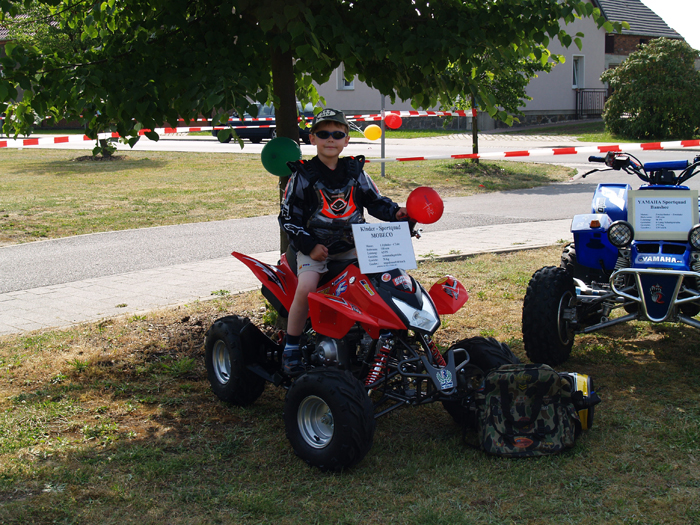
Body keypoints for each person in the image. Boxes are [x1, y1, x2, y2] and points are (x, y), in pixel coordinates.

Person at [279, 108, 408, 375]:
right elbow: (288, 219)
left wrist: (395, 212)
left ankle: (387, 337)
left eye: (337, 134)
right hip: (314, 250)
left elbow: (375, 202)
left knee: (388, 281)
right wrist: (309, 246)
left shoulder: (355, 172)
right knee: (306, 287)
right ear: (312, 138)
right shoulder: (302, 176)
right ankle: (291, 347)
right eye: (323, 133)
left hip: (356, 246)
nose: (331, 139)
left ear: (346, 140)